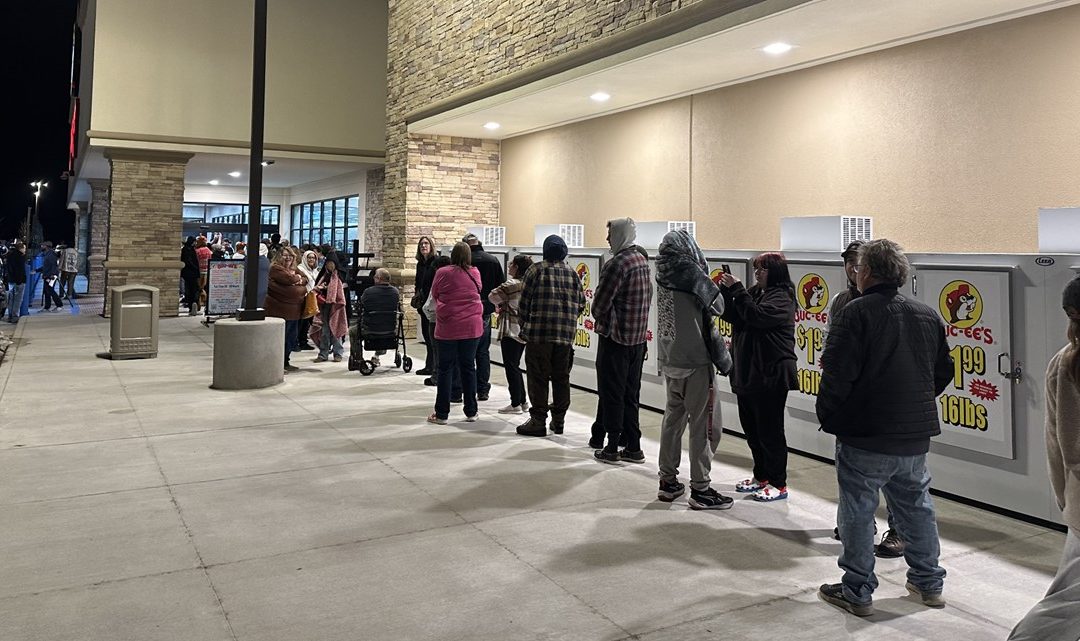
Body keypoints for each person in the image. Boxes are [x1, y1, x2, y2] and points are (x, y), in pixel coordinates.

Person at [815, 238, 952, 618]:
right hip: (913, 436)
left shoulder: (855, 314)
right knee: (917, 507)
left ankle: (857, 589)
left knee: (857, 511)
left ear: (867, 272)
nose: (855, 273)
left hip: (865, 433)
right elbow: (943, 372)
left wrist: (828, 413)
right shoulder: (927, 315)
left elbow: (838, 375)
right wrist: (915, 404)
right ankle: (929, 583)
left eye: (857, 268)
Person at [1008, 276, 1080, 641]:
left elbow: (1058, 447)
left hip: (1078, 500)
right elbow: (1070, 447)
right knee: (1070, 602)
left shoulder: (1063, 361)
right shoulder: (1069, 364)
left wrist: (1066, 499)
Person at [826, 240, 904, 557]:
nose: (852, 268)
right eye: (848, 262)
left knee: (894, 478)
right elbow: (831, 348)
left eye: (858, 263)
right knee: (851, 473)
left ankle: (897, 531)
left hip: (885, 403)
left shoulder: (893, 304)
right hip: (851, 402)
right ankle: (859, 524)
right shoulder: (841, 301)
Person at [654, 230, 733, 509]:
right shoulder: (689, 272)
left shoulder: (660, 271)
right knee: (705, 425)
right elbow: (719, 306)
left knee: (672, 422)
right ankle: (701, 489)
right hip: (696, 360)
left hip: (670, 358)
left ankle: (668, 481)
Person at [718, 252, 798, 501]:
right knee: (752, 430)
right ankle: (761, 476)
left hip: (771, 374)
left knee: (770, 431)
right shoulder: (754, 293)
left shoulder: (782, 297)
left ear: (775, 271)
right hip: (748, 373)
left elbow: (757, 317)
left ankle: (778, 483)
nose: (757, 273)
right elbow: (734, 315)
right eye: (755, 269)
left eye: (762, 269)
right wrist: (726, 294)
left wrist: (738, 290)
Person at [592, 218, 652, 464]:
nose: (607, 239)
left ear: (619, 235)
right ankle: (634, 446)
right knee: (630, 394)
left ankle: (612, 447)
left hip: (615, 339)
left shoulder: (616, 264)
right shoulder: (641, 260)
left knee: (612, 393)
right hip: (637, 341)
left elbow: (599, 306)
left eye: (610, 234)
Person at [516, 235, 585, 437]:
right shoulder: (572, 274)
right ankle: (559, 420)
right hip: (564, 338)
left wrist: (525, 324)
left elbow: (524, 303)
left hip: (539, 336)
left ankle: (538, 421)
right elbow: (581, 304)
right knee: (561, 378)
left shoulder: (535, 270)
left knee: (538, 378)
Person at [427, 242, 483, 425]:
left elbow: (434, 294)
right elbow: (479, 290)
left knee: (445, 369)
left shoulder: (442, 272)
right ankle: (471, 411)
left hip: (448, 327)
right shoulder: (474, 272)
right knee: (468, 367)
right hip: (471, 328)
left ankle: (442, 413)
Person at [463, 233, 506, 402]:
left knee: (466, 351)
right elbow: (500, 286)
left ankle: (467, 387)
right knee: (482, 351)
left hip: (466, 311)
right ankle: (483, 389)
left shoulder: (464, 263)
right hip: (486, 310)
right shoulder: (492, 260)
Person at [489, 254, 533, 415]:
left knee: (511, 367)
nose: (509, 267)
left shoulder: (511, 284)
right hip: (523, 330)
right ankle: (522, 401)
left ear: (517, 267)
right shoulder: (529, 283)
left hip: (511, 330)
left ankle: (515, 402)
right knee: (516, 365)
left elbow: (492, 296)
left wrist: (503, 302)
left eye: (511, 264)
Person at [264, 249, 307, 373]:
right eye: (285, 255)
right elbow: (290, 282)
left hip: (294, 312)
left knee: (290, 338)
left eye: (290, 256)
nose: (288, 258)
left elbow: (306, 280)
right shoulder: (275, 268)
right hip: (278, 311)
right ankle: (276, 364)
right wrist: (297, 282)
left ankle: (285, 362)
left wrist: (298, 281)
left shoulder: (294, 268)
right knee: (279, 340)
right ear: (279, 257)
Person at [420, 255, 451, 387]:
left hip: (437, 320)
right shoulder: (461, 279)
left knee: (437, 350)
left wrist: (427, 313)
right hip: (455, 321)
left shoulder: (438, 280)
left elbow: (430, 305)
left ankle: (437, 377)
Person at [361, 268, 401, 366]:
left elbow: (362, 305)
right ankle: (377, 355)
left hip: (371, 328)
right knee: (383, 324)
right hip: (390, 329)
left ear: (379, 278)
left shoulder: (368, 292)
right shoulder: (395, 292)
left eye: (375, 277)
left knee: (353, 331)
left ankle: (358, 358)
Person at [310, 258, 348, 363]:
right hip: (324, 306)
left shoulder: (340, 276)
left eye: (331, 264)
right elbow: (316, 287)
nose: (329, 266)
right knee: (324, 331)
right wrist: (319, 288)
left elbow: (342, 291)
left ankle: (338, 353)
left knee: (336, 329)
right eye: (327, 264)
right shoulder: (323, 276)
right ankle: (323, 353)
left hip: (336, 306)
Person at [414, 236, 437, 376]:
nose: (423, 246)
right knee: (426, 335)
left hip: (432, 304)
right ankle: (429, 366)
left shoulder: (435, 263)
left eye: (426, 243)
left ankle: (434, 367)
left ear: (431, 246)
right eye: (421, 244)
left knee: (432, 337)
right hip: (422, 304)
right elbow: (418, 283)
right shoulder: (420, 264)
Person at [296, 250, 320, 351]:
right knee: (301, 322)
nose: (311, 260)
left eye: (313, 258)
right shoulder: (300, 269)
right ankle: (297, 342)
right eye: (309, 257)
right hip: (303, 298)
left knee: (308, 322)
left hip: (313, 298)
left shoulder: (315, 270)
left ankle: (303, 341)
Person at [37, 242, 63, 313]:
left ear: (46, 246)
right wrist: (37, 270)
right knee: (47, 291)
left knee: (50, 290)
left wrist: (52, 274)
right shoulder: (48, 254)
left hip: (50, 276)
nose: (41, 246)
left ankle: (59, 305)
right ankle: (47, 307)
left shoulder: (51, 254)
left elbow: (53, 265)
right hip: (47, 275)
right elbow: (46, 266)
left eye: (42, 245)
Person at [5, 242, 26, 324]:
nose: (25, 250)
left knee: (11, 298)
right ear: (20, 248)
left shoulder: (10, 256)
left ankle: (10, 316)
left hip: (11, 281)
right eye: (24, 248)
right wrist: (20, 281)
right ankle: (15, 317)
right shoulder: (20, 257)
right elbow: (19, 270)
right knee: (18, 299)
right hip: (19, 281)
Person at [180, 236, 201, 316]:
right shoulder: (191, 250)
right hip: (193, 273)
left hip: (187, 273)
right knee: (195, 289)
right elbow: (192, 262)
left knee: (188, 289)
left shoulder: (184, 249)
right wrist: (195, 269)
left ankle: (190, 306)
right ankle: (194, 302)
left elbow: (186, 261)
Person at [195, 236, 212, 309]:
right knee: (203, 287)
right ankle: (204, 302)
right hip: (207, 271)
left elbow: (195, 261)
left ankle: (198, 303)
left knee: (198, 288)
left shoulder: (197, 251)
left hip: (199, 271)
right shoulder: (208, 250)